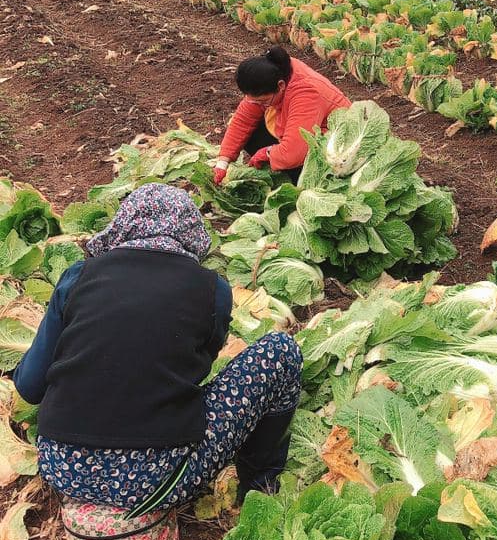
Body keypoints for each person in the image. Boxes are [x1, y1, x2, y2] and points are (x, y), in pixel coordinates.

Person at [12, 184, 303, 512]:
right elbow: (199, 367)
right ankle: (260, 489)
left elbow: (29, 386)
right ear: (190, 232)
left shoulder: (78, 276)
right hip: (163, 480)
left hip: (64, 469)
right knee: (281, 350)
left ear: (124, 223)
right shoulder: (213, 290)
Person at [214, 45, 350, 185]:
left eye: (263, 101)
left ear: (281, 86)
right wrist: (222, 162)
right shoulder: (275, 71)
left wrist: (268, 152)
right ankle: (284, 172)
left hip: (335, 146)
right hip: (304, 129)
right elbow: (243, 120)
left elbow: (294, 153)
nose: (259, 104)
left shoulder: (306, 92)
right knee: (250, 132)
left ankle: (299, 181)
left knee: (291, 159)